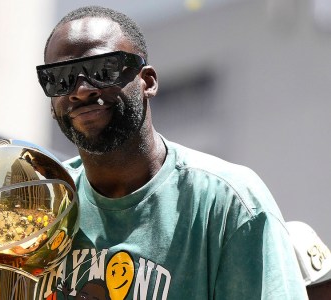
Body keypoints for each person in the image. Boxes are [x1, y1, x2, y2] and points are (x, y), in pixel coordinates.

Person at [34, 5, 308, 300]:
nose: (82, 89)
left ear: (147, 81)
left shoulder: (229, 201)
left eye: (103, 70)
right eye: (60, 78)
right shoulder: (40, 208)